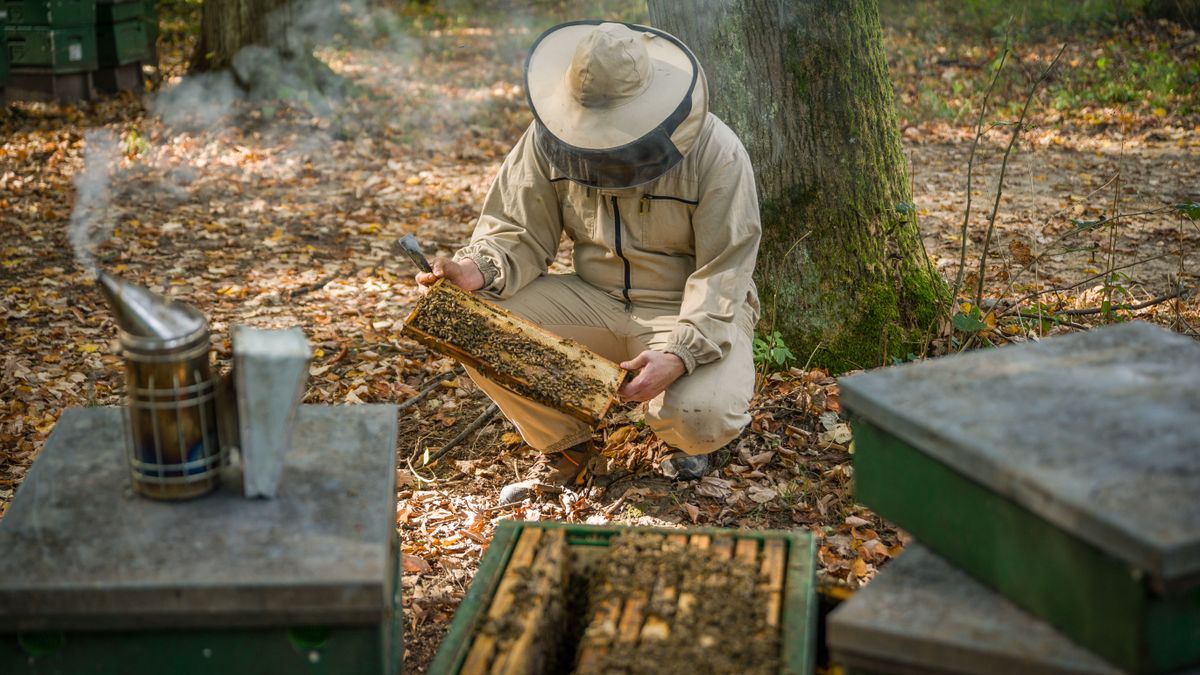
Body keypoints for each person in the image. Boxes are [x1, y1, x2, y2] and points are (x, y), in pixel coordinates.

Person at [415, 20, 761, 504]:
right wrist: (476, 270)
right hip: (592, 298)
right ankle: (567, 446)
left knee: (701, 417)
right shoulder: (545, 138)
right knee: (460, 320)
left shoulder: (716, 152)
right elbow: (515, 232)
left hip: (685, 309)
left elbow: (725, 271)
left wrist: (681, 353)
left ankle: (693, 443)